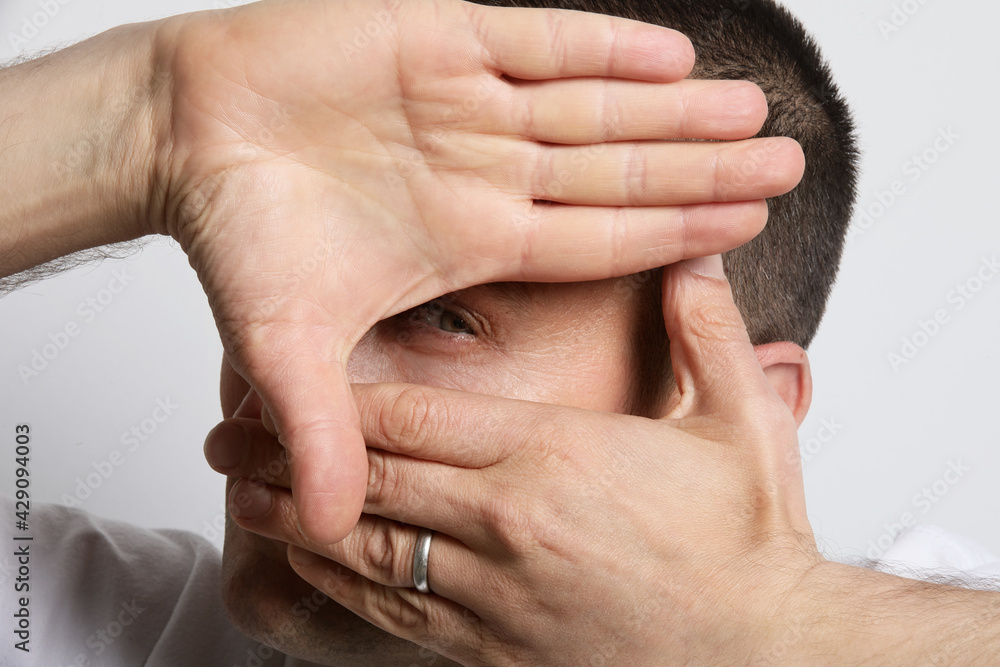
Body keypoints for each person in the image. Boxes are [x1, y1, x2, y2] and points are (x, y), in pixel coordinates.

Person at [0, 0, 801, 664]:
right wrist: (150, 120)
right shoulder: (59, 613)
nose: (283, 392)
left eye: (447, 319)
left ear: (740, 422)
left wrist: (753, 610)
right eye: (301, 282)